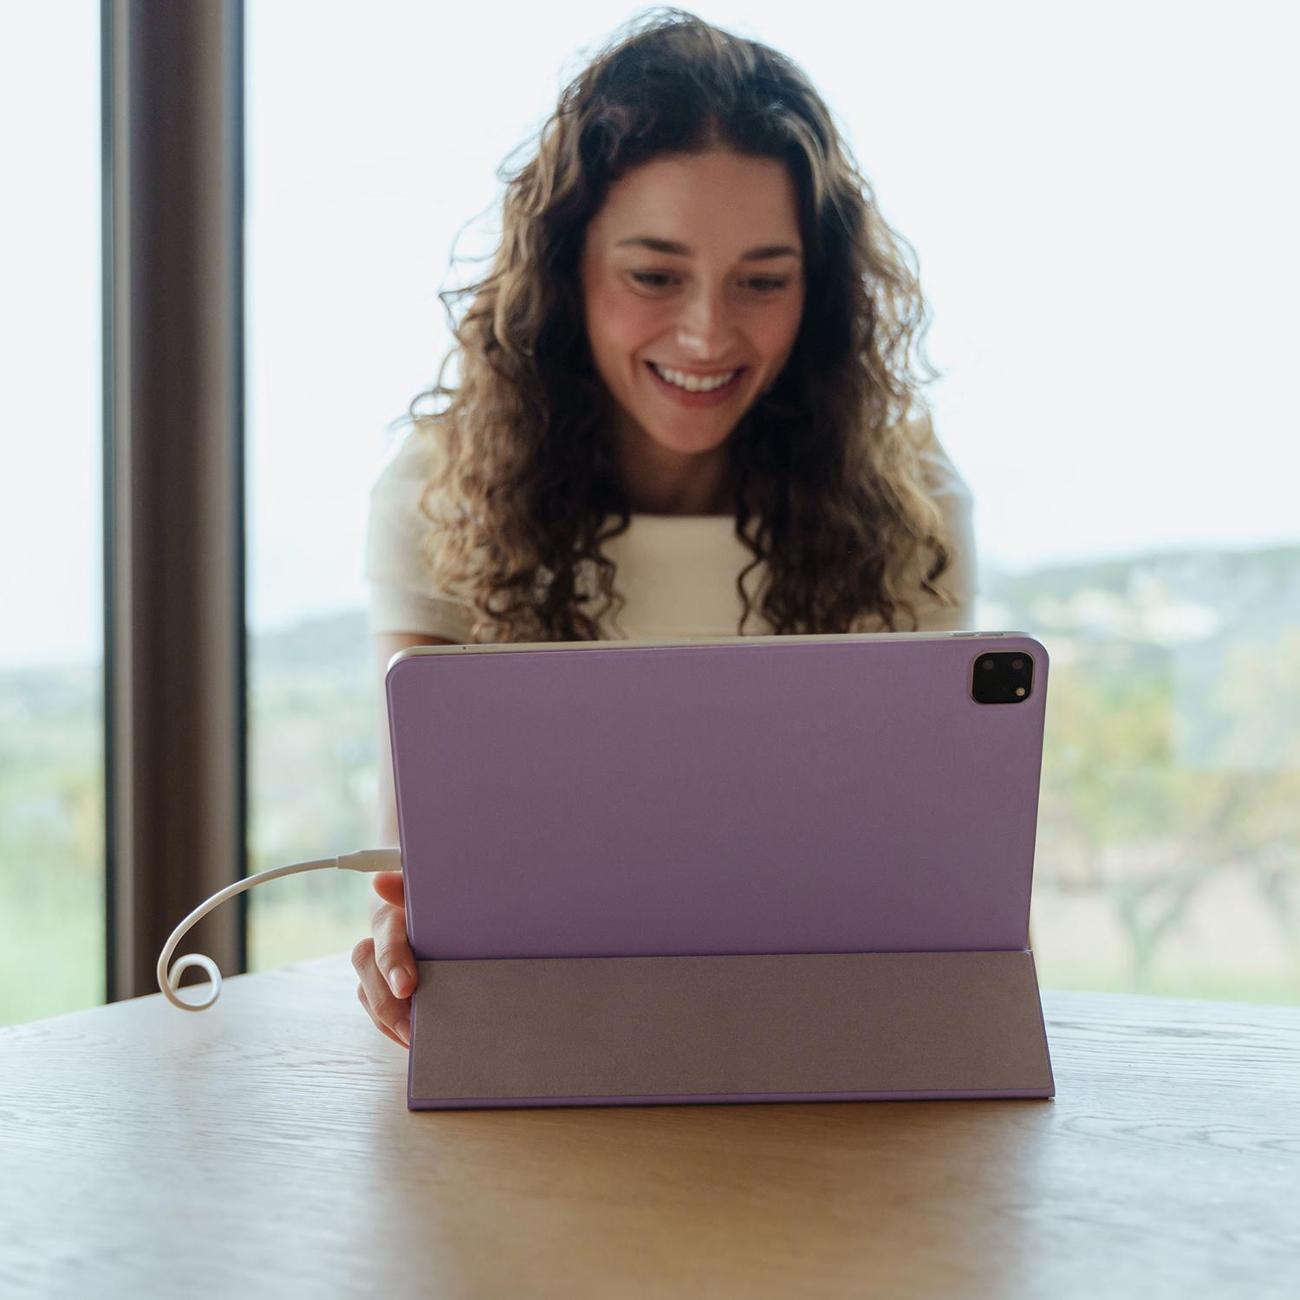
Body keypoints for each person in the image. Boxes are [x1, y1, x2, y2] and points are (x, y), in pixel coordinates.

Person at [352, 8, 978, 1049]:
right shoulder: (436, 491)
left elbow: (928, 881)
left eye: (763, 281)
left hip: (824, 1040)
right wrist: (402, 943)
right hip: (549, 1037)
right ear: (568, 269)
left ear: (816, 290)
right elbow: (418, 870)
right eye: (653, 275)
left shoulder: (908, 498)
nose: (706, 334)